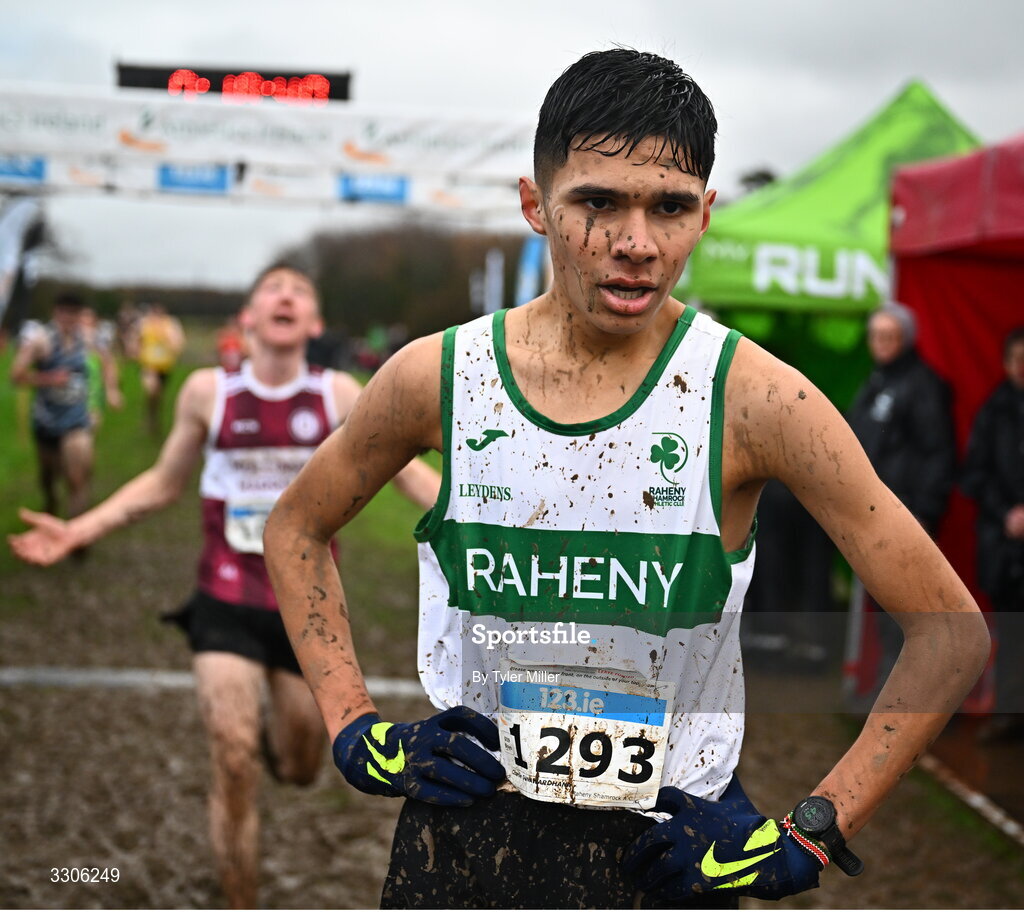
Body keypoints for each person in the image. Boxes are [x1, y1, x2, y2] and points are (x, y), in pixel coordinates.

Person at [263, 50, 989, 909]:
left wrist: (813, 833)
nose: (636, 243)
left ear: (706, 214)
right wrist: (356, 729)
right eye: (597, 203)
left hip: (666, 857)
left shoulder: (759, 399)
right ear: (535, 204)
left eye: (670, 208)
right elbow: (296, 529)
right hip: (463, 846)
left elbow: (951, 635)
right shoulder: (440, 376)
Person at [8, 263, 441, 909]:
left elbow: (412, 481)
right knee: (232, 759)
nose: (286, 295)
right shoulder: (209, 392)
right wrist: (78, 531)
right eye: (273, 288)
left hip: (309, 614)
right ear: (249, 317)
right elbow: (162, 483)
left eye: (300, 291)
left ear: (314, 323)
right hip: (224, 602)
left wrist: (489, 529)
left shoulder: (341, 395)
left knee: (297, 766)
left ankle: (282, 740)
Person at [962, 326, 1024, 741]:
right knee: (1013, 628)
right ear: (1005, 363)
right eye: (1017, 360)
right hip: (1006, 544)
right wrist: (1007, 514)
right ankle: (1010, 713)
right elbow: (973, 475)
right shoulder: (994, 411)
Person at [10, 293, 121, 520]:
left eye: (75, 314)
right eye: (65, 313)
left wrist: (111, 389)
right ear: (56, 313)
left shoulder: (88, 338)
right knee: (49, 476)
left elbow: (108, 360)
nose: (70, 319)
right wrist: (48, 378)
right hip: (47, 419)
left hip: (76, 418)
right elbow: (16, 375)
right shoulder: (41, 341)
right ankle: (50, 501)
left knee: (77, 477)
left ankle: (76, 529)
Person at [137, 302, 185, 435]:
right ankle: (150, 418)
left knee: (159, 395)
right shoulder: (144, 324)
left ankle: (153, 417)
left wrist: (169, 339)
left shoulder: (171, 325)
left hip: (165, 366)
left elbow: (178, 344)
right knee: (152, 390)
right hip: (149, 365)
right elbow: (137, 340)